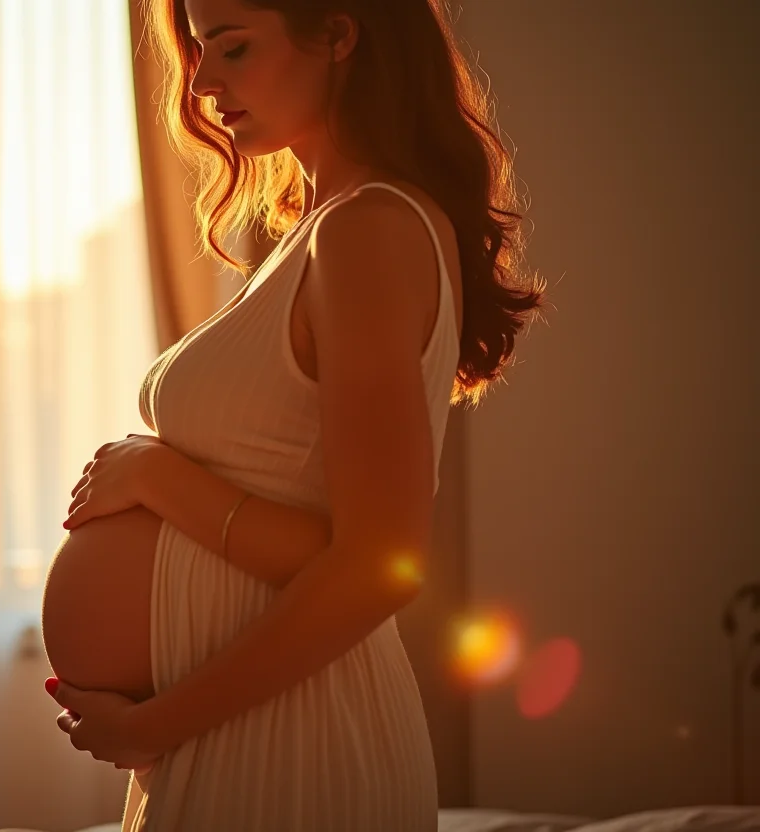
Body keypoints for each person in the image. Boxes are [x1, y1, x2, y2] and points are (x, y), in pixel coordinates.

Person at [47, 0, 547, 828]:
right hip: (241, 722)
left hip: (292, 738)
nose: (202, 82)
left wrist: (157, 476)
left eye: (232, 48)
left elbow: (380, 566)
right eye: (201, 52)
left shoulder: (369, 230)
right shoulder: (313, 231)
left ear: (340, 33)